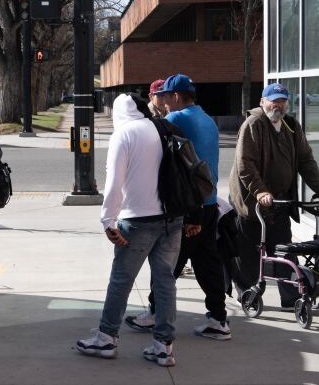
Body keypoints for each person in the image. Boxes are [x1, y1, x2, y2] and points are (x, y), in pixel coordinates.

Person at [76, 93, 182, 367]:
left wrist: (108, 220)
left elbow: (114, 182)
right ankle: (163, 346)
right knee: (165, 281)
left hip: (137, 220)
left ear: (118, 114)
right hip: (171, 218)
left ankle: (106, 338)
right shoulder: (162, 127)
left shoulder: (123, 135)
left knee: (121, 280)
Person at [125, 74, 231, 341]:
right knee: (208, 263)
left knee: (166, 263)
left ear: (175, 97)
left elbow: (149, 138)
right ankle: (218, 319)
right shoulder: (207, 119)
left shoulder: (176, 119)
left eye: (165, 97)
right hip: (209, 202)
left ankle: (154, 313)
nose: (162, 102)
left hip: (187, 206)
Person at [229, 83, 319, 307]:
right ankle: (248, 295)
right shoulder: (254, 123)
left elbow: (306, 161)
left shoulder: (291, 125)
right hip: (253, 203)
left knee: (283, 251)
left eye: (281, 101)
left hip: (280, 201)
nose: (277, 105)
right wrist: (260, 191)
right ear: (262, 101)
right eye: (273, 101)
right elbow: (245, 164)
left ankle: (291, 298)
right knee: (249, 253)